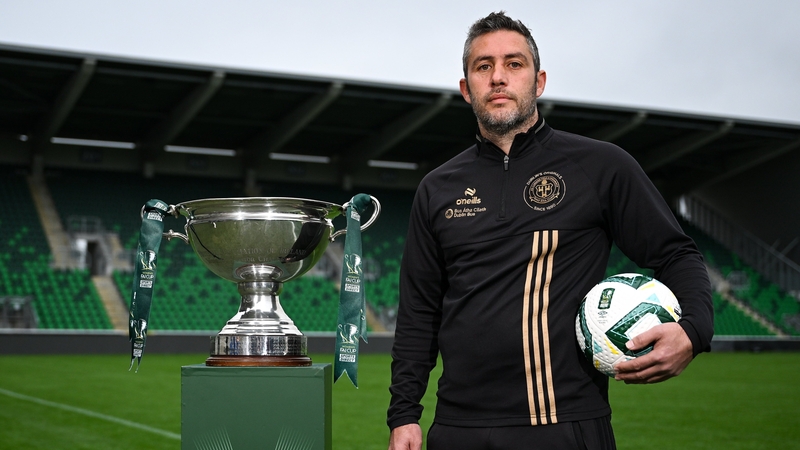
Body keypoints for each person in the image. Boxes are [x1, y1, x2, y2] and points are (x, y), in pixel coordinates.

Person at [387, 11, 714, 450]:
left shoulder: (601, 166)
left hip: (565, 424)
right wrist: (405, 414)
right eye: (483, 67)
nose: (498, 77)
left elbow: (676, 254)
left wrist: (693, 331)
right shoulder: (437, 188)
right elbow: (419, 311)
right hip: (457, 429)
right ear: (467, 89)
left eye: (513, 64)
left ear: (538, 82)